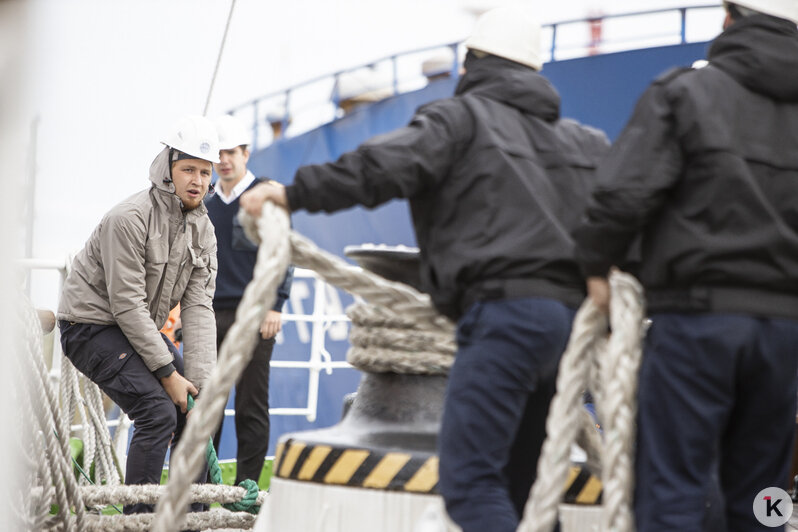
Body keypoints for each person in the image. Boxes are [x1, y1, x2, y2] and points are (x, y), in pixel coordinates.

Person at [240, 6, 609, 531]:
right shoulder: (585, 143)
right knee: (526, 490)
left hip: (505, 319)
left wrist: (294, 193)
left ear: (470, 64)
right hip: (571, 333)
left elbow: (382, 167)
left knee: (471, 481)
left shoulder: (459, 120)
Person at [572, 2, 798, 530]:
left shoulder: (686, 92)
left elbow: (623, 195)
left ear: (728, 19)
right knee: (766, 493)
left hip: (699, 324)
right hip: (785, 336)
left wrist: (596, 265)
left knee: (674, 486)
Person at [57, 114, 219, 514]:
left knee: (190, 408)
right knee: (157, 410)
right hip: (91, 327)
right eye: (187, 170)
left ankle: (193, 518)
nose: (196, 180)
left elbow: (198, 307)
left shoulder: (204, 230)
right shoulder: (128, 219)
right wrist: (168, 375)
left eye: (204, 171)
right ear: (168, 169)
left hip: (134, 330)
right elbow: (127, 305)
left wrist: (200, 383)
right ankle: (138, 519)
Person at [206, 114, 294, 485]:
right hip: (207, 317)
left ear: (246, 153)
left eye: (232, 152)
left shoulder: (265, 195)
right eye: (219, 153)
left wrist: (277, 304)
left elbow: (283, 250)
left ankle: (247, 492)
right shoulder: (205, 201)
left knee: (250, 407)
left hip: (256, 315)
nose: (224, 160)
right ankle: (199, 494)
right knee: (206, 409)